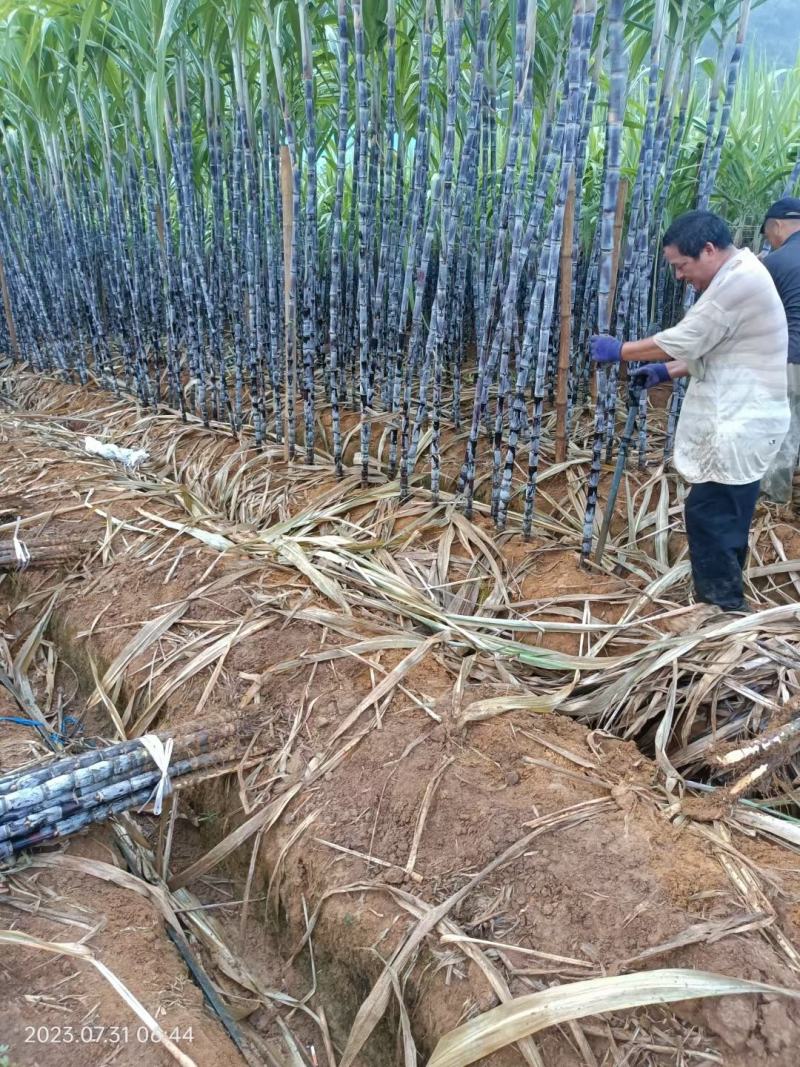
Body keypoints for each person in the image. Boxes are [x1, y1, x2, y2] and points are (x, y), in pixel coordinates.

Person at [590, 209, 789, 622]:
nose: (680, 277)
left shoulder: (736, 283)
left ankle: (722, 610)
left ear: (710, 250)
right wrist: (666, 370)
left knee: (710, 515)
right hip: (746, 417)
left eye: (682, 266)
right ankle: (726, 599)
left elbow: (687, 337)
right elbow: (714, 347)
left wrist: (620, 350)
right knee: (726, 513)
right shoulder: (741, 272)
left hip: (743, 421)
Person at [759, 197, 800, 507]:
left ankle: (775, 495)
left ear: (776, 226)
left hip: (791, 357)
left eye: (767, 233)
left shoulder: (777, 261)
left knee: (783, 425)